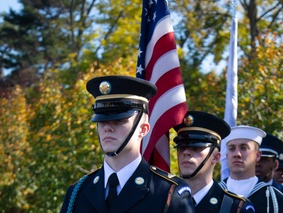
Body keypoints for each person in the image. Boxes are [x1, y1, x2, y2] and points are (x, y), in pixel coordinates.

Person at [60, 75, 195, 213]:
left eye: (119, 120)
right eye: (101, 121)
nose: (107, 128)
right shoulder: (76, 194)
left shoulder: (169, 193)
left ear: (143, 129)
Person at [173, 111, 256, 213]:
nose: (186, 152)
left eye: (196, 147)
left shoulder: (235, 208)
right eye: (181, 147)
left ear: (216, 157)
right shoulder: (163, 201)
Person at [218, 125, 283, 213]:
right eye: (232, 148)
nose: (237, 154)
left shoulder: (275, 200)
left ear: (257, 155)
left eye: (244, 148)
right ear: (227, 156)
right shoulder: (213, 193)